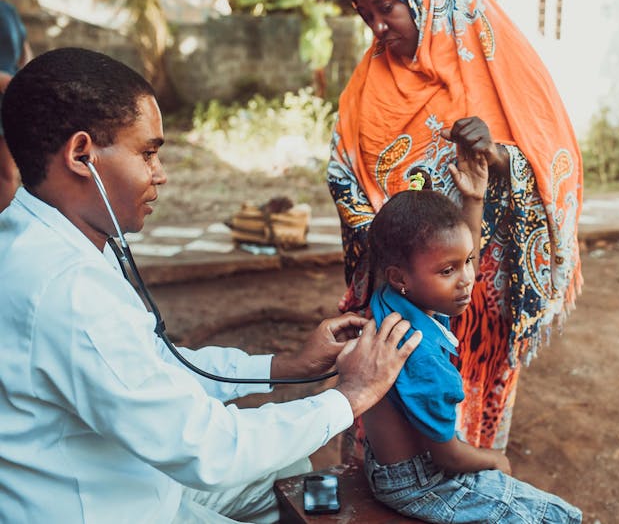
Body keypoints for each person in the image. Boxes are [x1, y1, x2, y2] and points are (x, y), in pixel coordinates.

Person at [0, 47, 421, 524]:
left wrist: (285, 366)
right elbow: (209, 448)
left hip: (132, 477)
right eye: (148, 153)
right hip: (109, 508)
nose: (160, 174)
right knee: (291, 483)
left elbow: (157, 369)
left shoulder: (44, 237)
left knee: (291, 472)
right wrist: (350, 396)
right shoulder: (66, 290)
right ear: (82, 155)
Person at [327, 0, 583, 458]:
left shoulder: (495, 66)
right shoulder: (368, 83)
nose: (378, 27)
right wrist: (390, 239)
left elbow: (556, 164)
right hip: (398, 299)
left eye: (386, 8)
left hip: (477, 300)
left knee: (465, 427)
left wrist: (501, 158)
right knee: (386, 436)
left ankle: (467, 476)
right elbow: (343, 173)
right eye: (366, 14)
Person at [362, 168, 582, 523]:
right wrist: (493, 457)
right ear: (400, 277)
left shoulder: (393, 299)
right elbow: (448, 458)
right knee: (554, 518)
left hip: (388, 462)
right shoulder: (420, 356)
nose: (468, 279)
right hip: (417, 482)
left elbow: (456, 254)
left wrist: (473, 200)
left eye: (466, 263)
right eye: (448, 271)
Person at [0, 0, 32, 211]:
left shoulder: (8, 11)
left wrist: (27, 80)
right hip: (10, 92)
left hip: (8, 100)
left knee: (8, 174)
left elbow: (26, 54)